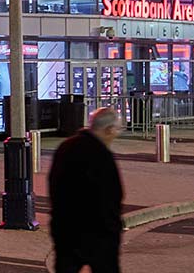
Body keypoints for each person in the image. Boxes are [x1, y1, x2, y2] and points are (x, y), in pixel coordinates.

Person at [48, 106, 123, 273]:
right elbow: (110, 197)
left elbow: (54, 185)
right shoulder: (102, 155)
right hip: (98, 232)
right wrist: (113, 229)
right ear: (109, 129)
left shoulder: (66, 147)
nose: (117, 134)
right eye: (117, 129)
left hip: (66, 228)